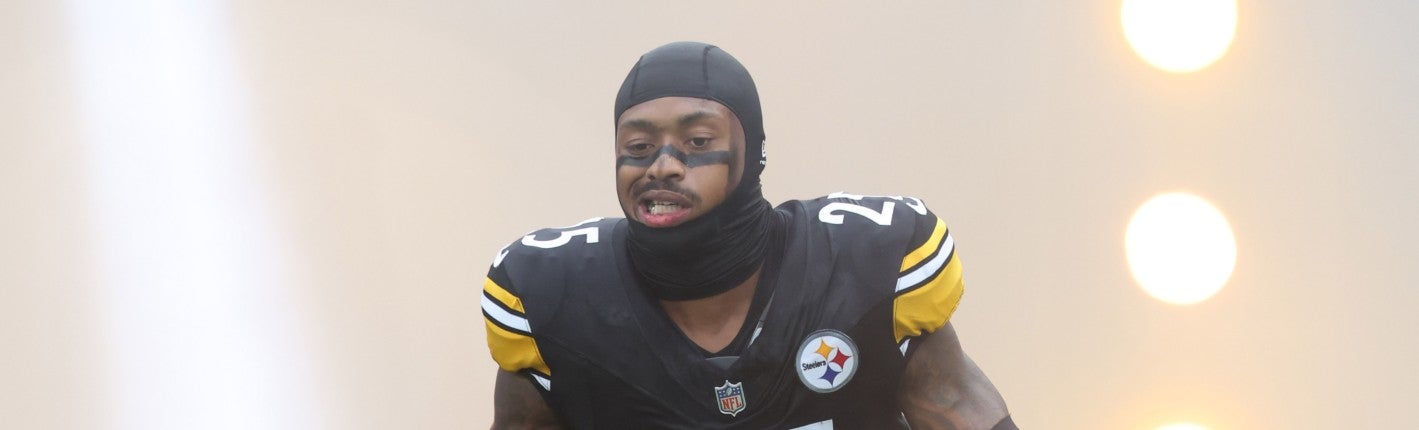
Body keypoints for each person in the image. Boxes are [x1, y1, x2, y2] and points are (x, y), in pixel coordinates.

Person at [482, 41, 1015, 429]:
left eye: (696, 139)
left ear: (754, 151)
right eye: (639, 146)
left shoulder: (864, 261)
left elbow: (949, 401)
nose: (663, 165)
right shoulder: (553, 295)